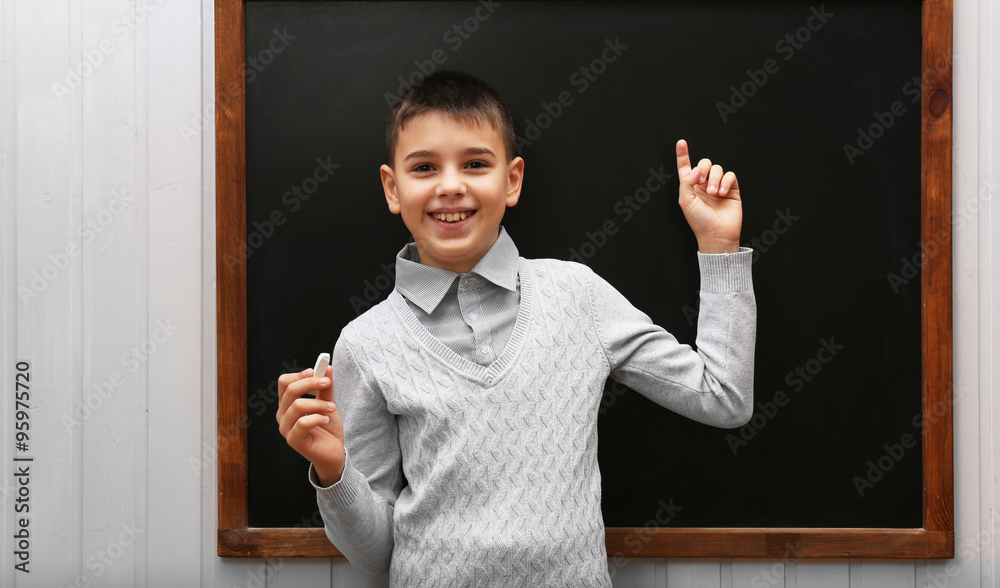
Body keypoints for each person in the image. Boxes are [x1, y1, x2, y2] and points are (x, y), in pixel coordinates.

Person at [276, 70, 755, 586]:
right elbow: (374, 556)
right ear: (393, 188)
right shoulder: (367, 343)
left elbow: (722, 397)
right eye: (424, 167)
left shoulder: (577, 295)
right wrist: (333, 468)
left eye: (476, 163)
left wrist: (719, 247)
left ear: (512, 180)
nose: (451, 185)